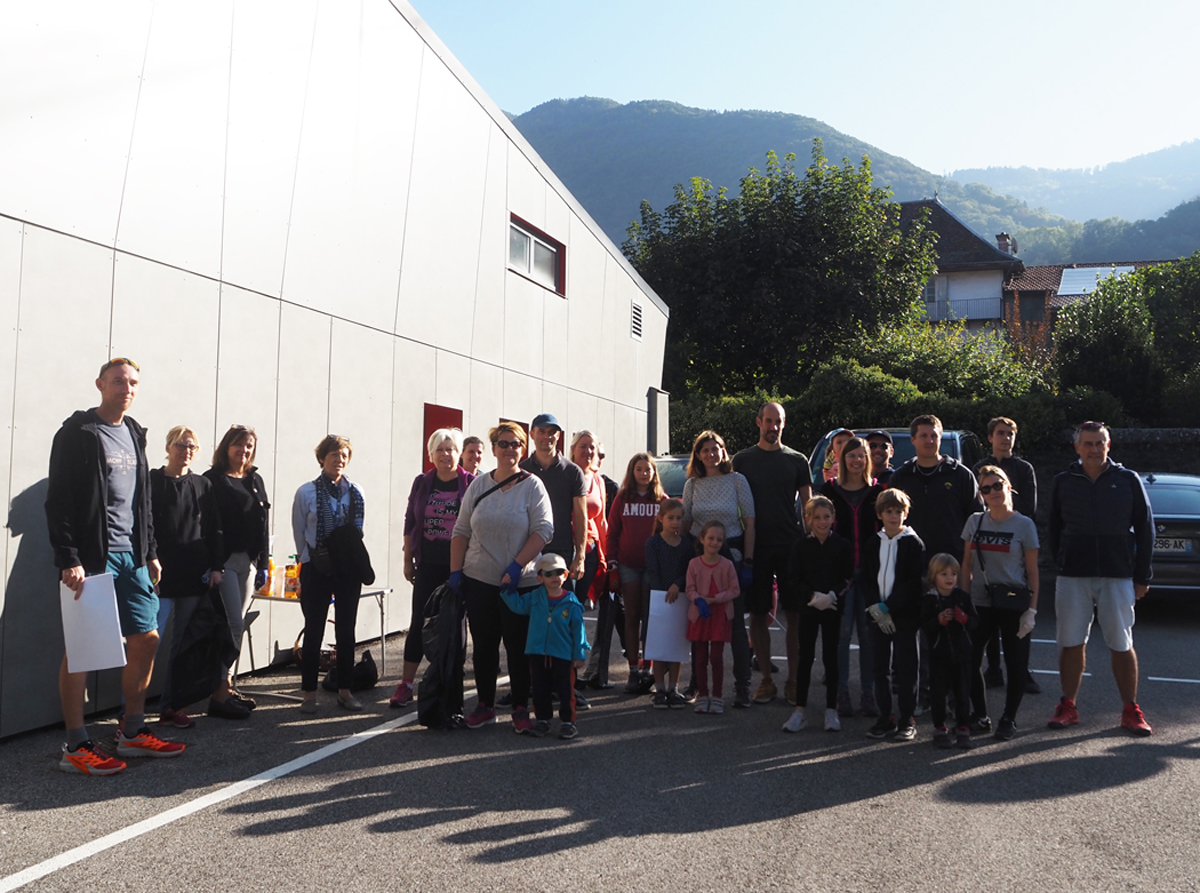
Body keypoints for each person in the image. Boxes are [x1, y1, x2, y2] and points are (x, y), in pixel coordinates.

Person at [48, 358, 184, 775]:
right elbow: (59, 501)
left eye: (133, 382)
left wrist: (151, 551)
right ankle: (75, 744)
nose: (126, 387)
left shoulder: (133, 433)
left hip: (134, 555)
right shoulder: (77, 433)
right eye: (118, 381)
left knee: (146, 638)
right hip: (92, 558)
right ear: (100, 385)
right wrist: (69, 558)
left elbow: (141, 502)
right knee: (84, 649)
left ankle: (133, 731)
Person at [1047, 421, 1154, 737]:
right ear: (1077, 447)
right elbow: (1053, 527)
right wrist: (1061, 562)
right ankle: (1068, 705)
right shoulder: (1063, 482)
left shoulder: (1128, 480)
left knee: (1121, 643)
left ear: (1109, 445)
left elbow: (1145, 528)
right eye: (1088, 443)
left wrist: (1142, 575)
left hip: (1117, 575)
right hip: (1072, 575)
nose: (1094, 449)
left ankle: (1130, 710)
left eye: (1100, 443)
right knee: (1070, 643)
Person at [451, 423, 554, 731]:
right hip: (479, 578)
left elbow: (543, 530)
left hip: (518, 583)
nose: (510, 449)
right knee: (483, 646)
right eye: (504, 444)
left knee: (518, 646)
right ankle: (485, 705)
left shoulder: (532, 485)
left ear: (523, 450)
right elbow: (460, 531)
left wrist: (517, 565)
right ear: (493, 448)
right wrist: (455, 572)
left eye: (516, 445)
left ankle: (521, 707)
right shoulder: (479, 486)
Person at [888, 414, 981, 713]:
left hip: (950, 570)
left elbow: (975, 521)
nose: (929, 440)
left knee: (953, 634)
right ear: (913, 440)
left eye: (934, 436)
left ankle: (956, 699)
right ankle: (921, 696)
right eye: (923, 436)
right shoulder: (901, 478)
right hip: (913, 569)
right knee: (918, 636)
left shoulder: (962, 475)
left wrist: (968, 569)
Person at [150, 426, 234, 726]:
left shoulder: (202, 485)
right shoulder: (151, 482)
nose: (186, 450)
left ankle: (171, 705)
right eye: (181, 445)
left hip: (192, 576)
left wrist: (215, 567)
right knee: (147, 644)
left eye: (192, 447)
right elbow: (142, 527)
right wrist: (148, 560)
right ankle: (128, 714)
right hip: (157, 577)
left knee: (182, 646)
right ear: (168, 447)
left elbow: (213, 528)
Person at [732, 402, 812, 708]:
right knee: (758, 615)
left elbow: (808, 505)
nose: (773, 426)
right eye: (768, 421)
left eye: (777, 421)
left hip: (790, 547)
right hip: (756, 548)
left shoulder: (797, 460)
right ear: (758, 422)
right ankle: (765, 680)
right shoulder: (743, 460)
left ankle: (793, 681)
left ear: (784, 423)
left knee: (795, 616)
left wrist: (811, 544)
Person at [393, 429, 474, 708]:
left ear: (459, 453)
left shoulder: (471, 483)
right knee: (419, 622)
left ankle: (450, 685)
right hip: (427, 563)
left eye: (451, 449)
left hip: (460, 566)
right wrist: (407, 559)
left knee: (455, 626)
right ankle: (405, 684)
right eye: (440, 449)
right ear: (432, 453)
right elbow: (409, 522)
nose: (445, 454)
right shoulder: (422, 483)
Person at [960, 464, 1040, 740]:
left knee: (1016, 663)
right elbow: (966, 565)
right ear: (981, 494)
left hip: (1013, 602)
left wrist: (1032, 610)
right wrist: (963, 600)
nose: (993, 492)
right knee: (970, 659)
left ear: (1008, 486)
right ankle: (980, 715)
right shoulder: (975, 522)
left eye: (997, 485)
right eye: (986, 488)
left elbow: (1032, 572)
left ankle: (1009, 717)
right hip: (981, 602)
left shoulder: (1024, 525)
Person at [293, 435, 367, 713]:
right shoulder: (306, 492)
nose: (340, 460)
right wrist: (308, 562)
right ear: (322, 458)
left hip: (348, 568)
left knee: (346, 630)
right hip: (317, 566)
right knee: (314, 630)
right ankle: (309, 694)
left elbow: (357, 532)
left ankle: (345, 691)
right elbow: (299, 532)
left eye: (344, 455)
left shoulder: (356, 491)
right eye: (334, 455)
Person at [681, 430, 755, 707]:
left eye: (716, 448)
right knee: (697, 621)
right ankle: (696, 684)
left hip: (731, 557)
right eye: (705, 450)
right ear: (698, 455)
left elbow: (750, 523)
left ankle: (742, 685)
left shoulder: (737, 481)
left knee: (733, 624)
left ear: (724, 451)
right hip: (700, 558)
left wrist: (747, 561)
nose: (711, 454)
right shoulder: (692, 485)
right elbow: (686, 523)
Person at [203, 425, 270, 712]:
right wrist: (213, 565)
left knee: (238, 625)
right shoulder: (212, 480)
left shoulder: (255, 479)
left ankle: (227, 685)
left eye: (249, 447)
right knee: (231, 623)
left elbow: (264, 523)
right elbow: (207, 526)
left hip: (248, 561)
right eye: (238, 445)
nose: (244, 451)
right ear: (226, 447)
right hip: (224, 563)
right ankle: (220, 692)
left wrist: (264, 563)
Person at [973, 416, 1041, 694]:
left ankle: (1021, 670)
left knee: (1017, 607)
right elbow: (976, 503)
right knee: (990, 608)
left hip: (1016, 543)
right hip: (988, 544)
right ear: (990, 437)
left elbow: (1029, 506)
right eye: (1001, 433)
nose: (1006, 438)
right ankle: (993, 670)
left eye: (1010, 434)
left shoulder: (1023, 468)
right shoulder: (978, 468)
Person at [820, 436, 883, 718]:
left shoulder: (878, 492)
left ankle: (868, 692)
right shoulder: (829, 491)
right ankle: (841, 691)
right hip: (839, 576)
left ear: (867, 459)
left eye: (861, 455)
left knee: (869, 636)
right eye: (851, 455)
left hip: (871, 575)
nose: (856, 460)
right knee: (841, 636)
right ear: (841, 459)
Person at [500, 553, 589, 740]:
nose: (555, 577)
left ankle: (568, 722)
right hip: (538, 653)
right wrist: (507, 590)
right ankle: (543, 720)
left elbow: (578, 630)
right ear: (539, 577)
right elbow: (518, 606)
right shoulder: (534, 598)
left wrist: (579, 653)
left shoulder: (571, 603)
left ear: (566, 575)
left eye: (559, 572)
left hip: (563, 655)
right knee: (540, 690)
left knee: (566, 690)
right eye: (549, 574)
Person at [782, 497, 852, 734]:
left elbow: (848, 577)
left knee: (831, 658)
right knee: (806, 657)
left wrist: (832, 596)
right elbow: (793, 578)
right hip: (808, 608)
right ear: (808, 519)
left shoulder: (842, 545)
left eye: (827, 517)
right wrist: (812, 597)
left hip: (832, 608)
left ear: (833, 518)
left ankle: (831, 710)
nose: (822, 522)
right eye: (817, 517)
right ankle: (800, 711)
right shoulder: (800, 546)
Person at [862, 488, 925, 742]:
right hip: (879, 616)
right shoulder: (872, 542)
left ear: (905, 514)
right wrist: (876, 608)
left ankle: (907, 718)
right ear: (880, 514)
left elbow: (914, 582)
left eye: (898, 511)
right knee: (879, 668)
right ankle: (885, 716)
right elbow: (866, 578)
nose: (893, 516)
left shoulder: (913, 543)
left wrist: (889, 607)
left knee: (907, 667)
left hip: (905, 616)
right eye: (889, 511)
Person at [607, 452, 666, 694]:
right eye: (639, 469)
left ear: (654, 473)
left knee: (650, 620)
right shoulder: (622, 498)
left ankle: (647, 670)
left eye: (647, 469)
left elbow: (673, 528)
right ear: (632, 472)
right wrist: (611, 563)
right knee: (631, 617)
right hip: (628, 565)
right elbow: (612, 532)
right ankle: (632, 670)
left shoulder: (662, 499)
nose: (643, 473)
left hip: (653, 567)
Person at [920, 554, 978, 749]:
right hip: (938, 655)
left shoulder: (962, 598)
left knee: (962, 692)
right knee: (938, 693)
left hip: (962, 654)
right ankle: (939, 727)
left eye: (953, 574)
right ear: (933, 576)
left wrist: (964, 619)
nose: (949, 578)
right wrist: (939, 620)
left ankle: (963, 726)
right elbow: (924, 624)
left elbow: (975, 622)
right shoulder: (929, 599)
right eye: (944, 574)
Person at [571, 430, 614, 688]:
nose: (588, 452)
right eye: (583, 446)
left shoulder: (598, 481)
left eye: (592, 448)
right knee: (566, 610)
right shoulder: (566, 474)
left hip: (591, 552)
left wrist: (607, 558)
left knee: (578, 612)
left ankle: (574, 676)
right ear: (573, 449)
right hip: (567, 552)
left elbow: (602, 521)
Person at [686, 521, 740, 715]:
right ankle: (703, 694)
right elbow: (690, 589)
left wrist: (714, 599)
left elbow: (735, 590)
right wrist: (698, 600)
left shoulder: (727, 565)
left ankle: (717, 696)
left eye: (719, 539)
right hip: (699, 615)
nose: (714, 542)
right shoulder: (694, 564)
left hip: (720, 616)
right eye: (710, 538)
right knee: (700, 657)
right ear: (702, 539)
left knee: (716, 657)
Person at [644, 498, 693, 707]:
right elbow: (652, 571)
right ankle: (660, 688)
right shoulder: (653, 543)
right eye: (670, 518)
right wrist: (662, 592)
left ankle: (674, 688)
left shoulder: (687, 544)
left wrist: (677, 585)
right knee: (658, 645)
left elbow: (688, 571)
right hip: (659, 599)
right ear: (660, 518)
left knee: (676, 645)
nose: (675, 522)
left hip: (679, 599)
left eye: (679, 518)